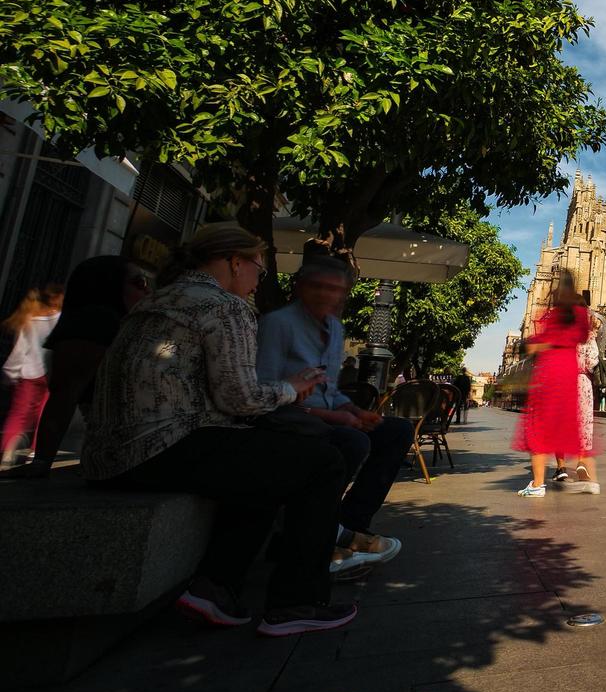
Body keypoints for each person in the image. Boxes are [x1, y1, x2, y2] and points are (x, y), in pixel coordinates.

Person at [82, 224, 354, 636]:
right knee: (324, 462)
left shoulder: (158, 299)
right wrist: (291, 388)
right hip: (161, 446)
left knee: (272, 460)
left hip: (107, 454)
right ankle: (296, 601)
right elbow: (239, 399)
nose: (255, 282)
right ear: (234, 262)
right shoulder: (225, 307)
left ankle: (215, 587)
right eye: (258, 271)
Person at [256, 256, 411, 575]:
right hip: (285, 420)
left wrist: (352, 409)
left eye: (337, 290)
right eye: (320, 287)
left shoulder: (333, 330)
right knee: (351, 441)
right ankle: (314, 537)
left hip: (323, 417)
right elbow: (264, 392)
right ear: (300, 287)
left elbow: (330, 389)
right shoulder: (278, 325)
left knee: (396, 431)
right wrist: (334, 417)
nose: (328, 296)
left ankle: (349, 525)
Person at [19, 258, 151, 477]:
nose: (147, 291)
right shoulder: (95, 323)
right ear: (109, 286)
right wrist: (41, 462)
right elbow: (64, 396)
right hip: (124, 454)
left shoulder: (114, 323)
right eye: (139, 282)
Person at [512, 269, 589, 498]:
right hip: (569, 370)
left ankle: (537, 484)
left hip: (551, 371)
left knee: (539, 428)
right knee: (562, 424)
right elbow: (582, 337)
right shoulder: (580, 313)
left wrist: (533, 345)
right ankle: (570, 470)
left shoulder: (554, 313)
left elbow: (545, 341)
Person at [2, 285, 63, 466]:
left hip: (28, 372)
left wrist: (11, 373)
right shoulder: (61, 318)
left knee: (19, 413)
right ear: (57, 298)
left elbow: (20, 349)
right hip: (51, 373)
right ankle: (35, 452)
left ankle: (8, 449)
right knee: (45, 414)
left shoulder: (29, 318)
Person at [554, 295, 601, 494]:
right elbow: (592, 362)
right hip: (583, 384)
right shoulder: (588, 334)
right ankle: (581, 461)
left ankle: (561, 467)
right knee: (582, 424)